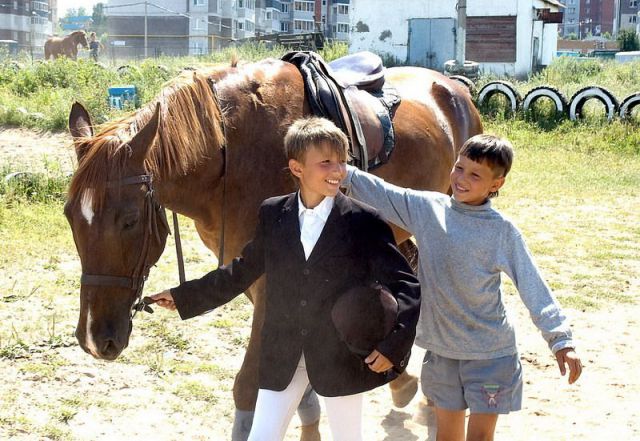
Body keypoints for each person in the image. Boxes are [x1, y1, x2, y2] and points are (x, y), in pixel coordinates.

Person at [149, 117, 421, 441]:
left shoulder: (364, 221)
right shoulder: (273, 213)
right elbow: (241, 271)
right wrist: (184, 296)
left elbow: (406, 284)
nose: (337, 171)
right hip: (283, 354)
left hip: (341, 359)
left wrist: (394, 346)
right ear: (297, 168)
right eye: (326, 163)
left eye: (342, 162)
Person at [342, 134, 582, 441]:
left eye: (475, 174)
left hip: (490, 357)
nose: (461, 179)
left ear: (497, 184)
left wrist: (561, 340)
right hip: (442, 355)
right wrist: (342, 170)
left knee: (480, 438)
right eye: (459, 168)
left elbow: (532, 284)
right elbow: (384, 193)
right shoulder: (428, 209)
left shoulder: (502, 232)